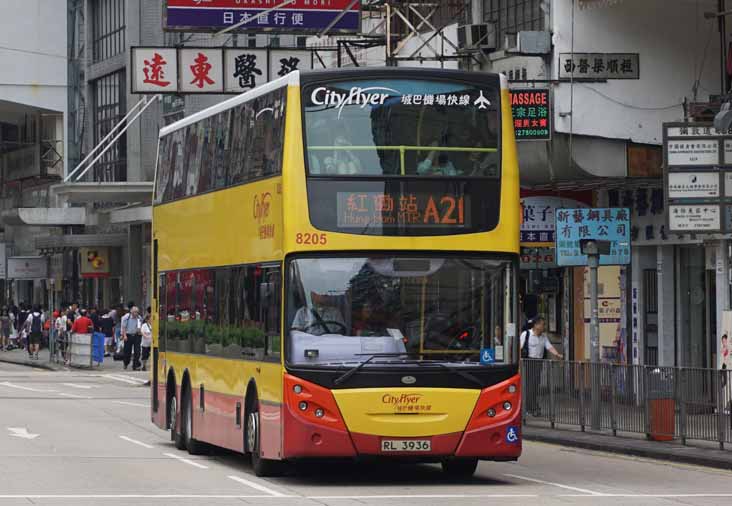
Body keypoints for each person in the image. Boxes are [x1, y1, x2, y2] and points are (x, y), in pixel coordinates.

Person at [519, 316, 563, 416]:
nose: (544, 326)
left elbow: (549, 346)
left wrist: (557, 354)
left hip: (538, 363)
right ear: (536, 325)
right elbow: (519, 348)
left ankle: (532, 406)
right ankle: (530, 407)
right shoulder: (526, 334)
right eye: (543, 324)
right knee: (530, 386)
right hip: (528, 362)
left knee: (534, 385)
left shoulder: (543, 337)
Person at [121, 306, 143, 371]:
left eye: (137, 312)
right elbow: (124, 327)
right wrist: (124, 335)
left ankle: (135, 365)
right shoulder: (126, 317)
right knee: (127, 351)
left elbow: (139, 327)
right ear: (131, 312)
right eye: (134, 312)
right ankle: (126, 363)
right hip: (128, 335)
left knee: (137, 351)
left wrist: (139, 330)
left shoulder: (139, 318)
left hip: (136, 335)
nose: (136, 314)